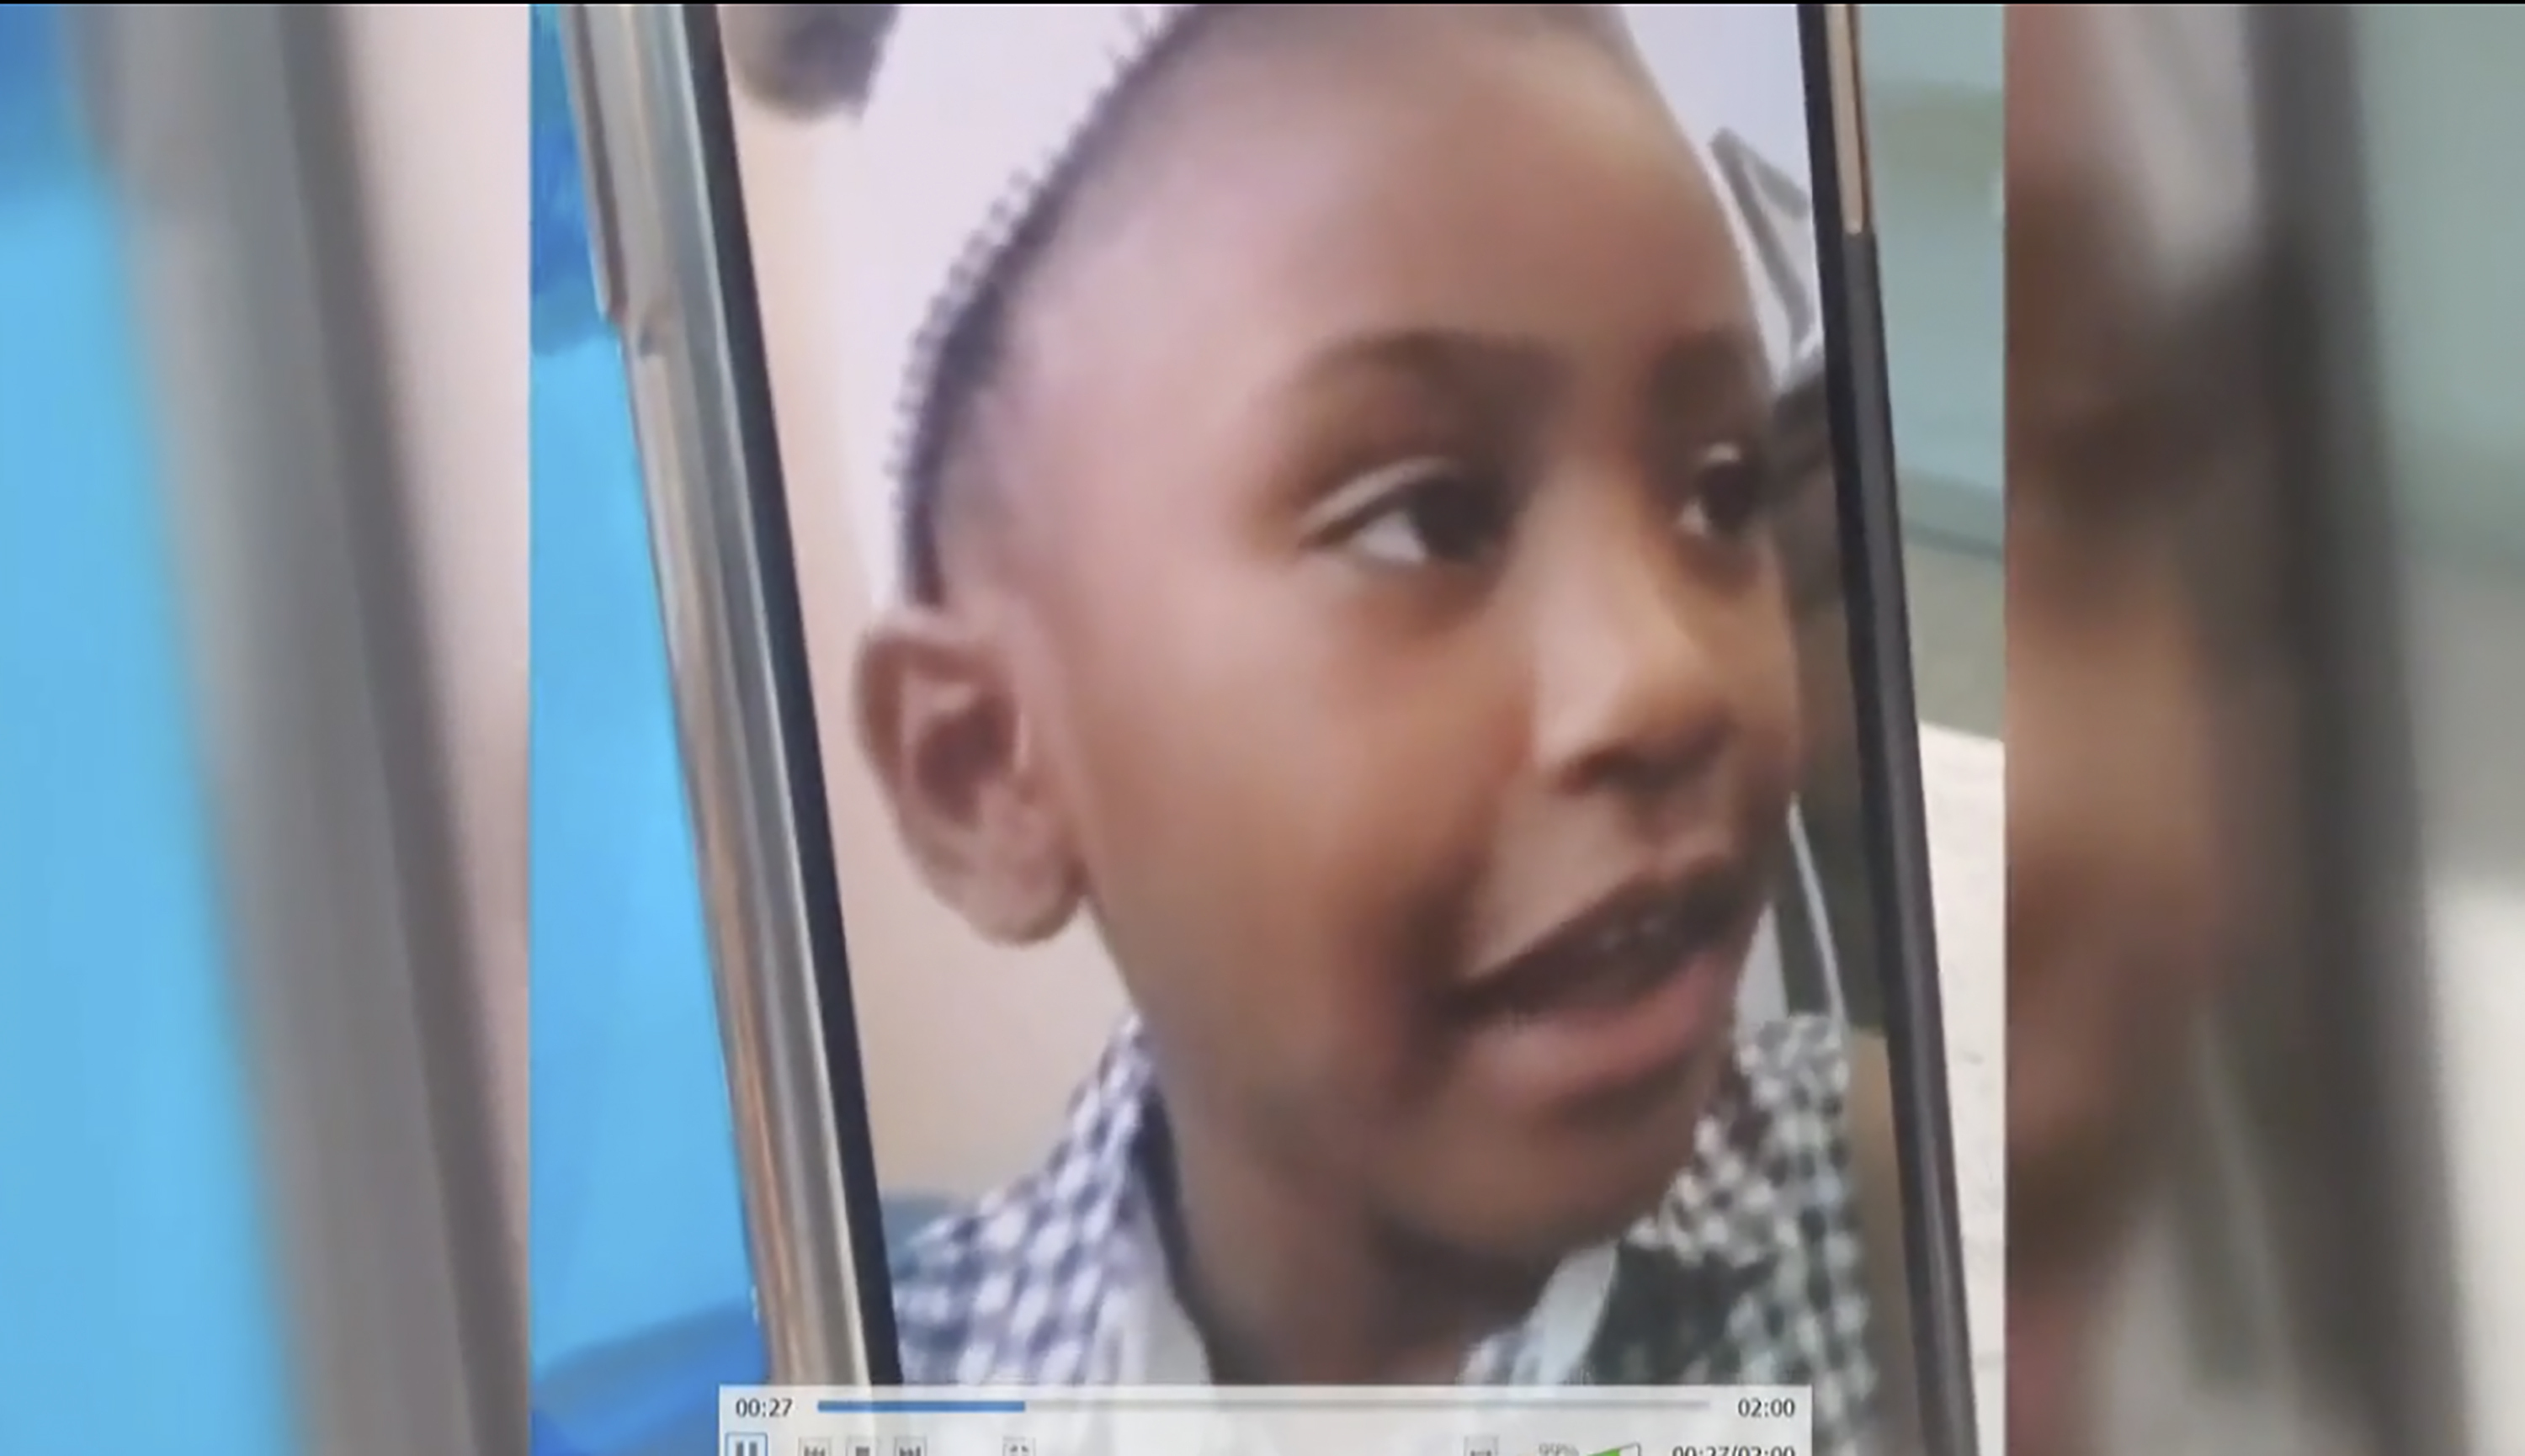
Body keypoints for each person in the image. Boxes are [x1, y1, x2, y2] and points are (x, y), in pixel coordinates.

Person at [801, 5, 1912, 1447]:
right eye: (1424, 519)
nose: (1666, 674)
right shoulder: (888, 1391)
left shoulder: (1918, 1232)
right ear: (986, 765)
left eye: (1717, 491)